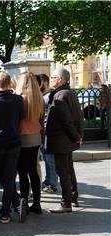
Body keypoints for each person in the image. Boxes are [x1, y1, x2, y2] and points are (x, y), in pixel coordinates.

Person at [0, 71, 27, 224]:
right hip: (14, 142)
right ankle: (9, 207)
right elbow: (21, 117)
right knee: (9, 177)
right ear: (9, 84)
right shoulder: (18, 100)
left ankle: (9, 207)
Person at [46, 68, 83, 213]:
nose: (51, 78)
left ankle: (66, 203)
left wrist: (77, 137)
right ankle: (73, 198)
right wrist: (78, 136)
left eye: (53, 77)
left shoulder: (59, 96)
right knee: (69, 170)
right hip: (68, 140)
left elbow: (67, 121)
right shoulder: (69, 92)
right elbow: (79, 117)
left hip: (61, 140)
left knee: (63, 172)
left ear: (61, 79)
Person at [15, 72, 44, 215]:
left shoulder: (20, 99)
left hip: (22, 137)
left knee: (22, 172)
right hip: (36, 137)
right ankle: (37, 204)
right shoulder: (39, 99)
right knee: (33, 170)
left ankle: (24, 202)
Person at [37, 74, 58, 194]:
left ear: (44, 82)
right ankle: (48, 180)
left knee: (50, 159)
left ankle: (53, 184)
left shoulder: (49, 96)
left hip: (48, 133)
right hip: (43, 132)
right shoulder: (44, 96)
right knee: (46, 158)